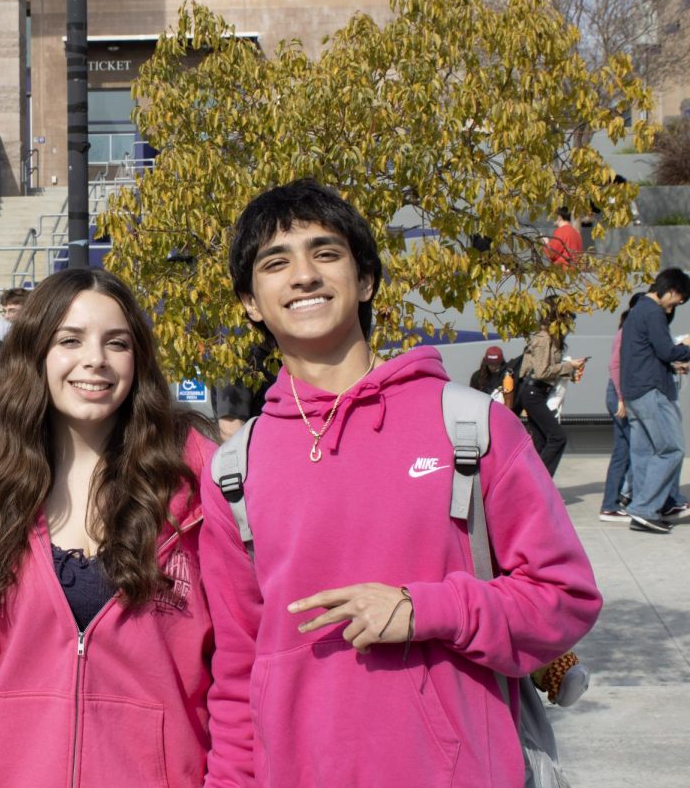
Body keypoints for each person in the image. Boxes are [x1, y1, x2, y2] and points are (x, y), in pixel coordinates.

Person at [199, 179, 601, 788]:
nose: (303, 275)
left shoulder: (470, 424)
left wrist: (426, 608)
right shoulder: (234, 469)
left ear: (364, 281)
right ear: (251, 302)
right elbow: (235, 674)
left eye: (325, 253)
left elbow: (565, 597)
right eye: (275, 263)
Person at [0, 268, 218, 787]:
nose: (94, 359)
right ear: (35, 353)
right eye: (70, 340)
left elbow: (238, 665)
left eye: (116, 343)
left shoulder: (195, 477)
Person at [620, 268, 690, 534]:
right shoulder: (653, 312)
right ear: (671, 291)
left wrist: (673, 367)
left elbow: (648, 354)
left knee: (645, 452)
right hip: (651, 391)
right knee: (672, 449)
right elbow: (667, 350)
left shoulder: (637, 311)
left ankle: (641, 507)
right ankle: (645, 509)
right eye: (679, 299)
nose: (677, 305)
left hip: (635, 391)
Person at [518, 298, 587, 476]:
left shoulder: (551, 338)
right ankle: (539, 482)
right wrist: (568, 366)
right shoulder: (544, 339)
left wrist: (570, 370)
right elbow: (541, 372)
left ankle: (531, 484)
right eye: (568, 318)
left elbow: (546, 371)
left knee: (540, 443)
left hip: (539, 392)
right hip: (533, 392)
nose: (570, 323)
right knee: (558, 438)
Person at [600, 293, 645, 522]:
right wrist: (621, 398)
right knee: (627, 449)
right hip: (620, 394)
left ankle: (617, 500)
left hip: (621, 394)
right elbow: (615, 365)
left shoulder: (630, 329)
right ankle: (612, 503)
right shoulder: (628, 330)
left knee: (625, 449)